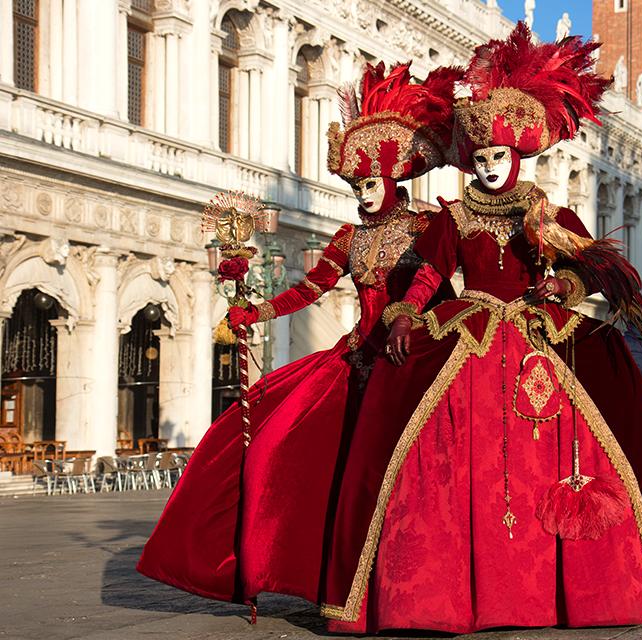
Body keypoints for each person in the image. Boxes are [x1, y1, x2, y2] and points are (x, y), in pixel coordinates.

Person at [320, 23, 642, 634]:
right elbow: (430, 274)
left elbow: (595, 269)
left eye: (498, 156)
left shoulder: (549, 215)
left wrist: (564, 286)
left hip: (537, 334)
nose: (489, 166)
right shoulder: (451, 216)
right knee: (420, 442)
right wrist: (402, 313)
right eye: (479, 158)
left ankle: (568, 587)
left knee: (595, 421)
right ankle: (441, 592)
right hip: (467, 329)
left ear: (520, 155)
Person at [137, 62, 459, 607]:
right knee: (270, 442)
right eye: (356, 186)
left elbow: (435, 281)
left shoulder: (428, 226)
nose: (362, 195)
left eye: (370, 184)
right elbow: (309, 290)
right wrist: (255, 312)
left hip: (411, 360)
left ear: (393, 179)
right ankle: (302, 569)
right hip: (357, 359)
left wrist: (408, 316)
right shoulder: (347, 238)